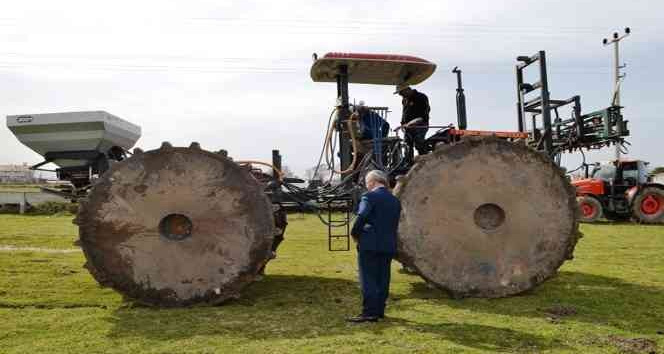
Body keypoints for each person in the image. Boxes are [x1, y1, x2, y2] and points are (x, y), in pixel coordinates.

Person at [347, 170, 402, 323]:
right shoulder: (395, 201)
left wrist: (355, 234)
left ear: (373, 182)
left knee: (368, 279)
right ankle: (379, 311)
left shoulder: (369, 196)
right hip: (388, 244)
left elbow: (362, 216)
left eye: (367, 182)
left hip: (370, 244)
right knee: (383, 278)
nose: (367, 185)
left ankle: (369, 313)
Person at [395, 84, 430, 161]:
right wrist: (402, 123)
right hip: (408, 127)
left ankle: (425, 161)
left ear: (407, 89)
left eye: (401, 93)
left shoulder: (421, 97)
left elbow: (423, 116)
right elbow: (404, 113)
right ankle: (409, 164)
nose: (401, 95)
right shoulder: (405, 100)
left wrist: (410, 123)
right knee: (407, 145)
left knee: (419, 143)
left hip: (420, 125)